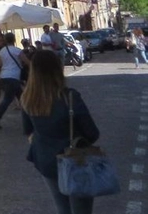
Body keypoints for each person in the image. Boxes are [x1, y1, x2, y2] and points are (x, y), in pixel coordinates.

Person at [21, 48, 101, 214]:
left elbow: (28, 131)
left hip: (46, 161)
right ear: (58, 69)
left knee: (62, 209)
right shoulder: (69, 97)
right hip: (75, 161)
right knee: (81, 210)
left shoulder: (27, 98)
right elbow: (92, 133)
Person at [0, 32, 28, 130]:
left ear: (6, 40)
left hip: (4, 77)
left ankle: (30, 120)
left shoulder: (2, 51)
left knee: (23, 99)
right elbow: (27, 62)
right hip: (14, 78)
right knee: (8, 100)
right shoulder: (17, 51)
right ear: (14, 40)